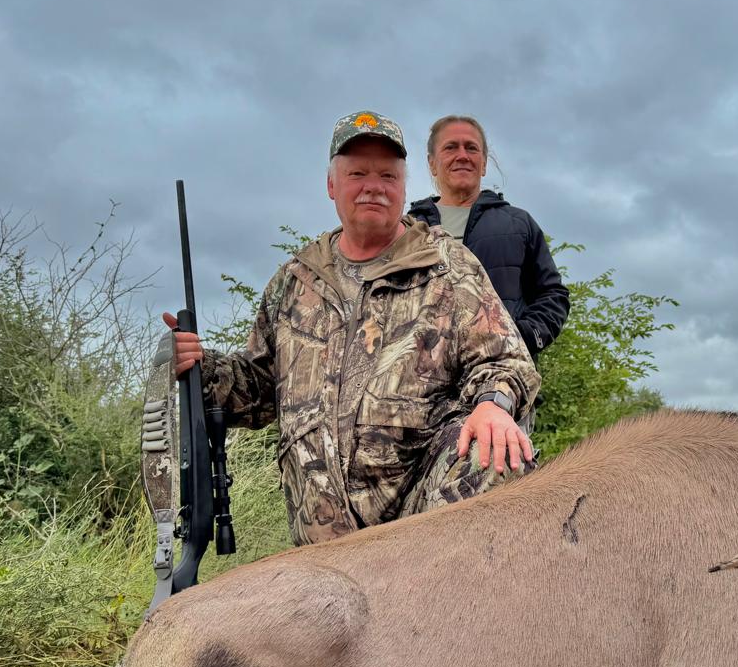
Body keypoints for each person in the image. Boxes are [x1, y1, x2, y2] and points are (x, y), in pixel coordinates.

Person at [164, 110, 541, 546]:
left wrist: (493, 405)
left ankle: (449, 584)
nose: (373, 186)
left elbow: (505, 360)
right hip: (325, 538)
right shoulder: (297, 279)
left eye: (387, 175)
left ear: (403, 188)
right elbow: (258, 387)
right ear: (331, 185)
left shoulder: (447, 266)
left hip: (422, 526)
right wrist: (200, 368)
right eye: (357, 173)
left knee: (497, 450)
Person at [408, 116, 569, 360]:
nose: (462, 155)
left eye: (471, 148)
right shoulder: (408, 230)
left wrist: (522, 337)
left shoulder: (518, 224)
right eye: (450, 147)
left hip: (501, 372)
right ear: (432, 164)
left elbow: (553, 295)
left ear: (483, 164)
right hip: (419, 376)